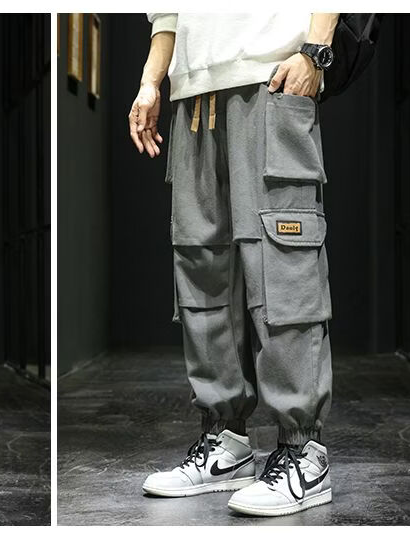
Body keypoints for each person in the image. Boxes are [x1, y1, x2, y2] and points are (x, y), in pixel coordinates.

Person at [129, 13, 338, 517]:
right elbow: (167, 12)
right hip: (192, 94)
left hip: (271, 79)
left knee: (282, 264)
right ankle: (226, 443)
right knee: (202, 267)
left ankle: (303, 452)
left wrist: (315, 52)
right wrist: (150, 81)